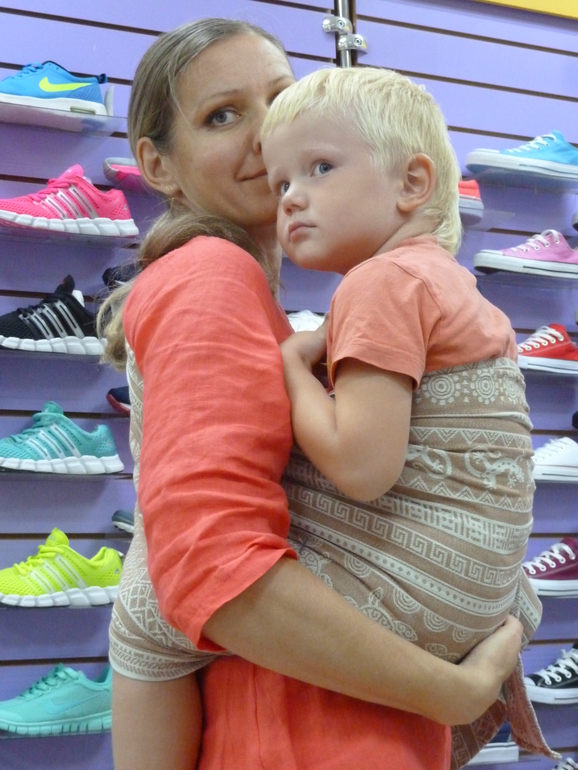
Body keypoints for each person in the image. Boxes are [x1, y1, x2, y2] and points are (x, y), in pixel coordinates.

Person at [99, 18, 526, 770]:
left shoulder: (297, 293)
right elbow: (213, 569)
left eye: (281, 98)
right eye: (222, 116)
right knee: (144, 614)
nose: (267, 135)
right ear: (157, 165)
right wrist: (449, 691)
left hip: (332, 705)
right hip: (306, 725)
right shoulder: (213, 276)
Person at [260, 65, 552, 765]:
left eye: (320, 168)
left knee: (172, 604)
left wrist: (289, 367)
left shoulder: (381, 282)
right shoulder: (448, 282)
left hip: (414, 596)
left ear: (413, 183)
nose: (292, 197)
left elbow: (362, 468)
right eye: (278, 184)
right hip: (482, 604)